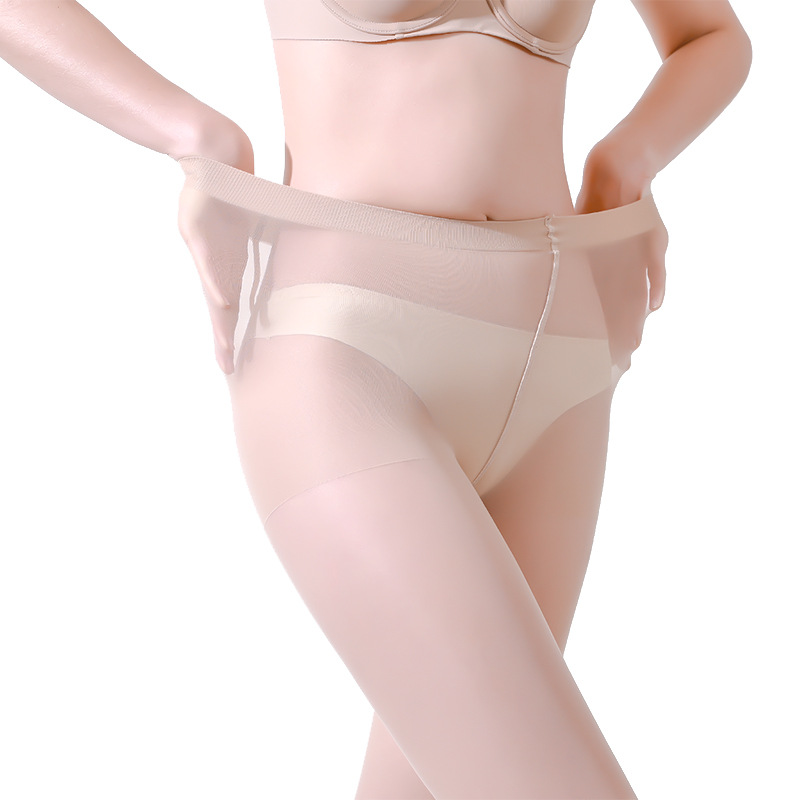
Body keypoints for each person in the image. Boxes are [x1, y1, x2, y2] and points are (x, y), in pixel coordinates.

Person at [0, 1, 752, 797]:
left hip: (564, 360)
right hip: (347, 351)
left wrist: (628, 159)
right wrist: (193, 135)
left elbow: (710, 35)